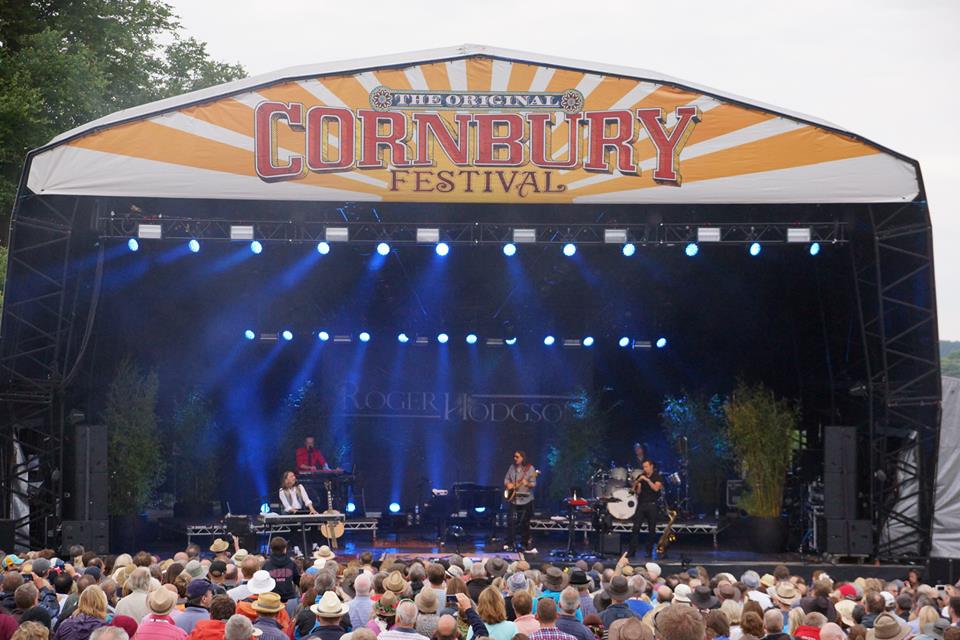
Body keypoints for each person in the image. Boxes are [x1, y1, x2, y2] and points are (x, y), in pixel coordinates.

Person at [627, 459, 662, 559]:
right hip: (642, 504)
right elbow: (636, 492)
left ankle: (649, 551)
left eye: (646, 467)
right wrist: (637, 483)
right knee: (635, 528)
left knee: (651, 529)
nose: (645, 469)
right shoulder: (641, 476)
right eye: (643, 467)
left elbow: (656, 488)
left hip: (652, 505)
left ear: (651, 466)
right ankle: (632, 551)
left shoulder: (657, 477)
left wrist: (647, 480)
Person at [503, 451, 537, 552]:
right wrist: (508, 484)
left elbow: (533, 484)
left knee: (525, 522)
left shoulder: (530, 468)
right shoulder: (512, 468)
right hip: (514, 499)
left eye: (517, 457)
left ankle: (524, 543)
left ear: (522, 458)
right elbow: (506, 480)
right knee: (511, 521)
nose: (515, 458)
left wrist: (527, 484)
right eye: (514, 456)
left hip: (526, 499)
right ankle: (510, 543)